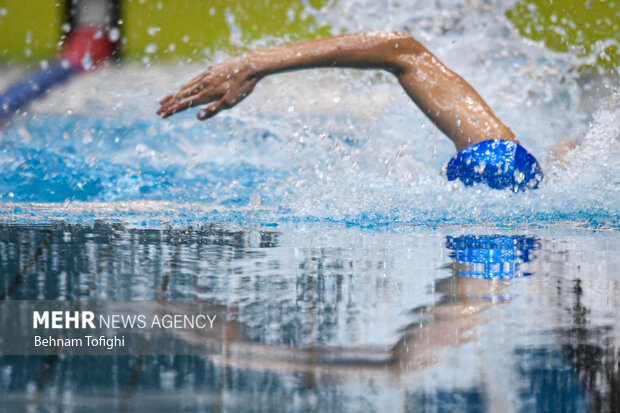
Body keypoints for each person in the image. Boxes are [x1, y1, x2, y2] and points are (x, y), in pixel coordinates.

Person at [157, 31, 543, 191]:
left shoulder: (507, 163)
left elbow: (400, 48)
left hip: (499, 168)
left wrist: (256, 62)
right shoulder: (532, 177)